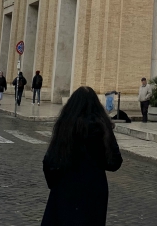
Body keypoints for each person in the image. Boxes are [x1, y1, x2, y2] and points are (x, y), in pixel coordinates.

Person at [40, 86, 122, 225]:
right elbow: (114, 162)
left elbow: (49, 161)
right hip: (94, 190)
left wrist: (54, 183)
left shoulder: (65, 126)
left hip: (65, 187)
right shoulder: (102, 128)